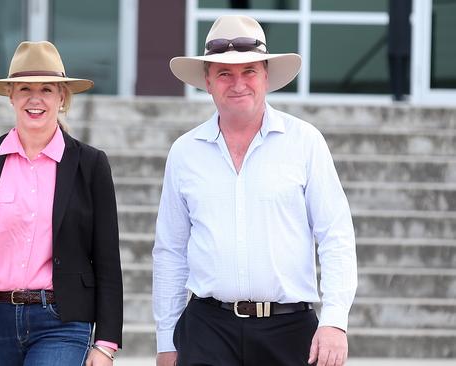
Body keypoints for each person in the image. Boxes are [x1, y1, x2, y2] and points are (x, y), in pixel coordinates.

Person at [153, 15, 357, 366]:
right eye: (224, 73)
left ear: (265, 76)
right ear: (207, 81)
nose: (238, 84)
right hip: (206, 329)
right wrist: (166, 341)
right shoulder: (184, 153)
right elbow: (170, 252)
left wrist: (335, 321)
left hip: (291, 330)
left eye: (249, 71)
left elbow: (336, 236)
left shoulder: (305, 143)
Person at [0, 41, 123, 366]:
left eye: (47, 89)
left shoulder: (91, 165)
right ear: (11, 95)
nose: (35, 99)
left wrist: (105, 343)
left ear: (62, 97)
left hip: (62, 321)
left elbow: (107, 259)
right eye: (25, 88)